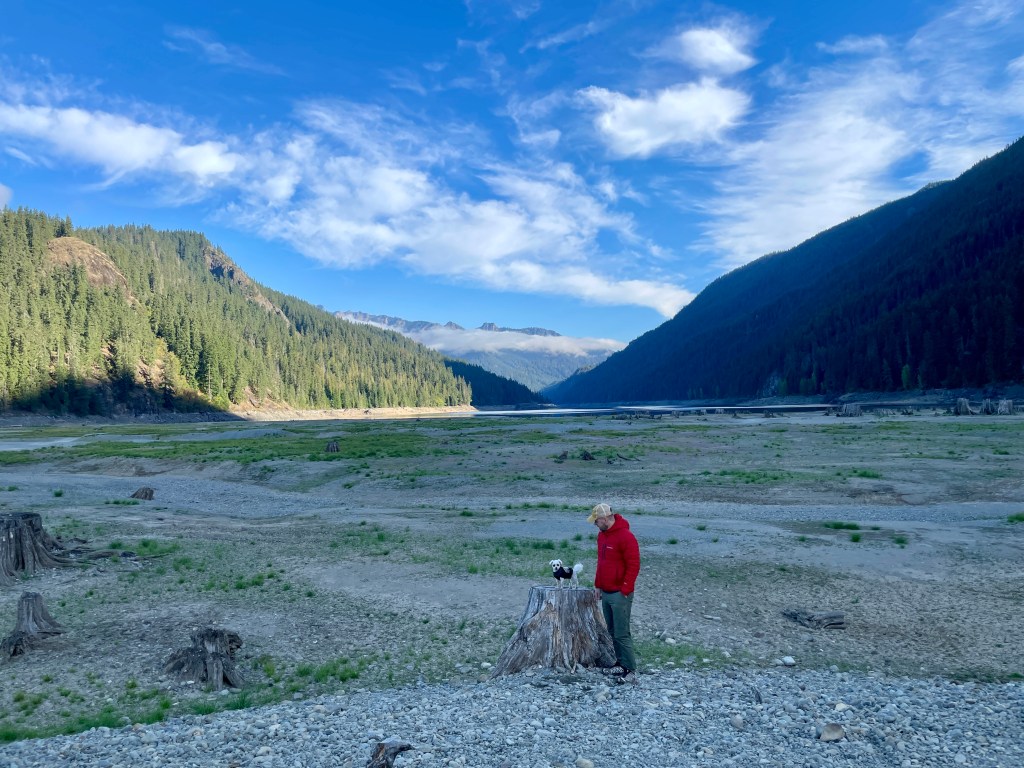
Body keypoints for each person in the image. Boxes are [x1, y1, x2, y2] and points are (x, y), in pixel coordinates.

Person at [587, 502, 640, 683]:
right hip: (606, 591)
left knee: (622, 632)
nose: (595, 524)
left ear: (605, 518)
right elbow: (601, 563)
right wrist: (598, 585)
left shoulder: (626, 537)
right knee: (612, 630)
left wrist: (625, 588)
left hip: (619, 593)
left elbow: (634, 565)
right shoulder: (602, 537)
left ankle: (630, 669)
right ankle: (621, 663)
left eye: (596, 521)